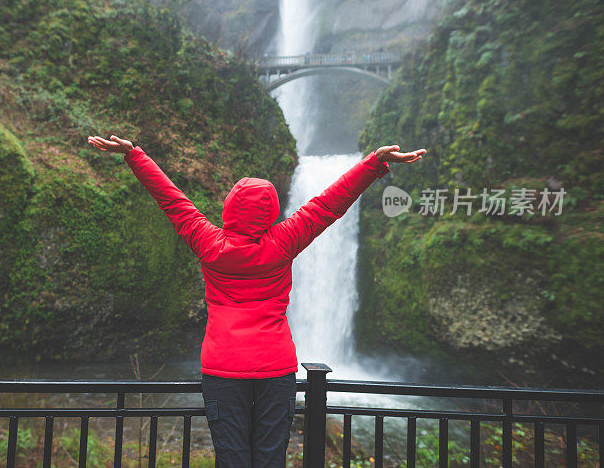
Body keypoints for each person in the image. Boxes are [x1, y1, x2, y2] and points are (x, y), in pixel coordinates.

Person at [87, 134, 426, 467]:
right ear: (271, 211)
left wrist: (135, 156)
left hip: (222, 369)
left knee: (232, 459)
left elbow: (173, 201)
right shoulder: (284, 242)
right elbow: (327, 205)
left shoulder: (209, 244)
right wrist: (373, 164)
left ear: (229, 207)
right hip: (275, 368)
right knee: (269, 459)